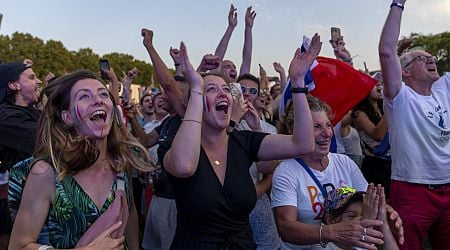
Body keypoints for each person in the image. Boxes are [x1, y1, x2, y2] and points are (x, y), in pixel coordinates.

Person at [164, 33, 320, 249]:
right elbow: (184, 166)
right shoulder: (177, 145)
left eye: (226, 90)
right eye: (211, 89)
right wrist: (197, 87)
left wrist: (298, 83)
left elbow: (303, 144)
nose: (223, 94)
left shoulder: (243, 141)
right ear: (196, 103)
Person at [9, 70, 155, 249]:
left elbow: (129, 214)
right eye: (84, 96)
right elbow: (18, 245)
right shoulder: (47, 171)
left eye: (103, 94)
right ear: (67, 117)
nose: (98, 100)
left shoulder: (120, 162)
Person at [379, 0, 450, 248]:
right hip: (412, 190)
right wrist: (398, 4)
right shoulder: (400, 98)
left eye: (432, 58)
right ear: (405, 72)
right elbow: (387, 52)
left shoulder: (444, 88)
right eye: (422, 58)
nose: (432, 60)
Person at [271, 96, 384, 250]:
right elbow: (286, 228)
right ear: (294, 131)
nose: (327, 133)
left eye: (328, 125)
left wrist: (387, 211)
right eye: (316, 126)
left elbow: (367, 202)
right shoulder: (286, 172)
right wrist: (331, 232)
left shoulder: (344, 163)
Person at [0, 62, 41, 249]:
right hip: (11, 209)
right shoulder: (6, 117)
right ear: (14, 85)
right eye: (32, 77)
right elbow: (48, 140)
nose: (38, 81)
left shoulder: (35, 113)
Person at [322, 185, 398, 250]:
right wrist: (369, 225)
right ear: (330, 220)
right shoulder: (321, 247)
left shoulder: (353, 244)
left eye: (363, 215)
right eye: (351, 216)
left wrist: (382, 221)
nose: (361, 220)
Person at [351, 75, 390, 196]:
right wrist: (390, 107)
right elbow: (377, 135)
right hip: (376, 164)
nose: (379, 86)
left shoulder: (382, 108)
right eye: (375, 84)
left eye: (380, 84)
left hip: (391, 161)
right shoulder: (359, 114)